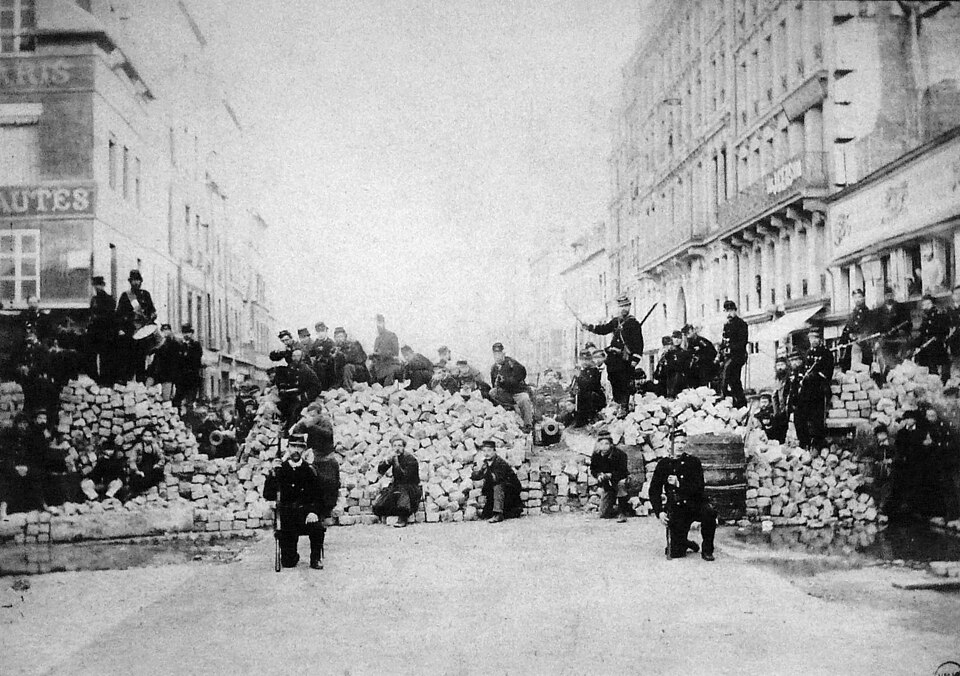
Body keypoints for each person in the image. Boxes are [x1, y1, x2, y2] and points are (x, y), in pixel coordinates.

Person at [648, 438, 717, 561]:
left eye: (682, 443)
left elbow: (699, 488)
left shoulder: (693, 462)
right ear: (669, 444)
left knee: (709, 512)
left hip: (695, 504)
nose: (680, 446)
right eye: (676, 442)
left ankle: (707, 550)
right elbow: (654, 490)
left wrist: (679, 484)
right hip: (677, 509)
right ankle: (685, 543)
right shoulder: (663, 464)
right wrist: (659, 512)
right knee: (675, 553)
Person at [263, 443, 326, 569]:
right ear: (288, 448)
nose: (296, 450)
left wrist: (313, 511)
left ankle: (315, 558)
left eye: (300, 447)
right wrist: (272, 474)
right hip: (287, 517)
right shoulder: (281, 469)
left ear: (304, 450)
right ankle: (291, 555)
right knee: (288, 563)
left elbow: (319, 496)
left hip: (305, 514)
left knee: (317, 528)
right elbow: (268, 495)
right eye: (293, 447)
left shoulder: (310, 470)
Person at [582, 294, 644, 416]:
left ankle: (624, 407)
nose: (623, 309)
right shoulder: (616, 321)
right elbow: (603, 329)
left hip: (625, 359)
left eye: (626, 306)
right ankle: (618, 404)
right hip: (613, 359)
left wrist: (635, 358)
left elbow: (639, 343)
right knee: (614, 380)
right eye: (621, 306)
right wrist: (590, 327)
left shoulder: (633, 323)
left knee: (624, 383)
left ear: (630, 306)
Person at [793, 328, 834, 450]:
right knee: (799, 415)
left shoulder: (826, 353)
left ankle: (817, 444)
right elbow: (803, 370)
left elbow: (828, 372)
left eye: (816, 338)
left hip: (819, 388)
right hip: (806, 390)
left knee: (817, 416)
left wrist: (816, 375)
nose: (813, 341)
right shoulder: (807, 353)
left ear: (820, 339)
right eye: (811, 338)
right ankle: (804, 441)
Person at [115, 269, 157, 382]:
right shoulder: (125, 296)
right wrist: (121, 329)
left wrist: (152, 315)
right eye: (133, 280)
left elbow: (152, 310)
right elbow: (118, 314)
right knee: (128, 360)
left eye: (138, 280)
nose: (136, 283)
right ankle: (127, 386)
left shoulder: (146, 295)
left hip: (143, 332)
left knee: (141, 360)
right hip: (130, 331)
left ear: (141, 282)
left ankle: (140, 385)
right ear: (130, 282)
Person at [0, 413, 45, 514]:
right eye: (20, 424)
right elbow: (5, 456)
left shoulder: (29, 439)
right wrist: (14, 468)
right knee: (5, 478)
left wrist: (27, 468)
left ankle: (40, 505)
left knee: (37, 474)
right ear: (16, 424)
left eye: (25, 424)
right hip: (10, 467)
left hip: (25, 468)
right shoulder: (8, 437)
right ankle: (3, 507)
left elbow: (33, 457)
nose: (23, 426)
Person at [372, 436, 421, 527]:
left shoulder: (411, 459)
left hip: (411, 488)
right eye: (394, 446)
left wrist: (395, 461)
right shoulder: (394, 457)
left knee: (403, 499)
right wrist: (386, 462)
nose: (397, 448)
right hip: (397, 486)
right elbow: (381, 470)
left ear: (404, 447)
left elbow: (404, 476)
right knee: (378, 506)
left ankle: (403, 518)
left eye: (399, 445)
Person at [471, 439, 522, 522]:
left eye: (489, 451)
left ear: (494, 451)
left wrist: (486, 472)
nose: (486, 453)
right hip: (498, 493)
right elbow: (478, 476)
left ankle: (498, 514)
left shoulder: (500, 462)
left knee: (498, 485)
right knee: (486, 515)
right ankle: (494, 512)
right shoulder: (486, 463)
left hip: (510, 491)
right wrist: (475, 472)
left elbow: (497, 479)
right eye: (484, 451)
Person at [489, 342, 534, 431]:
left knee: (524, 399)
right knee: (492, 392)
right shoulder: (494, 368)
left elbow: (521, 374)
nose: (497, 356)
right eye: (495, 354)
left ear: (503, 353)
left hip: (518, 391)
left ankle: (528, 424)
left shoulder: (512, 363)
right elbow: (493, 383)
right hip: (506, 394)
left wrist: (506, 380)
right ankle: (509, 409)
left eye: (499, 354)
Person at [589, 430, 630, 522]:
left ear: (611, 444)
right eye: (601, 444)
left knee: (621, 485)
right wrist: (598, 475)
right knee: (604, 514)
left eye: (606, 444)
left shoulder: (620, 455)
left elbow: (623, 471)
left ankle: (622, 512)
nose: (603, 447)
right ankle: (616, 509)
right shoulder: (596, 455)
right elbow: (593, 469)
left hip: (620, 480)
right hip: (607, 483)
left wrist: (611, 475)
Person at [915, 294, 951, 384]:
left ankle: (943, 383)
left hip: (936, 345)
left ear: (931, 304)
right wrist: (917, 345)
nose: (924, 307)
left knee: (940, 367)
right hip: (927, 346)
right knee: (930, 370)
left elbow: (943, 330)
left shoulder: (939, 314)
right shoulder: (926, 316)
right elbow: (923, 332)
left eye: (926, 304)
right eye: (923, 305)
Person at [719, 300, 749, 408]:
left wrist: (730, 349)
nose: (729, 313)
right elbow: (723, 342)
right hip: (728, 356)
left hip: (738, 356)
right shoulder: (727, 325)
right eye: (726, 311)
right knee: (732, 380)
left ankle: (726, 396)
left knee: (729, 375)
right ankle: (737, 401)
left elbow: (742, 343)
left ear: (735, 311)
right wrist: (720, 353)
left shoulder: (741, 324)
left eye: (731, 310)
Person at [87, 276, 117, 384]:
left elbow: (111, 316)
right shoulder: (94, 300)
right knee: (92, 356)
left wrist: (98, 318)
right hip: (94, 332)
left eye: (99, 285)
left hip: (106, 332)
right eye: (95, 285)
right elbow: (91, 314)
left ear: (103, 285)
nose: (97, 287)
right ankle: (95, 379)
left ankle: (106, 380)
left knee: (106, 357)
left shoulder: (109, 299)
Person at [875, 286, 912, 371]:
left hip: (899, 339)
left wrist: (903, 331)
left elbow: (908, 323)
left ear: (893, 295)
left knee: (901, 361)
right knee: (886, 361)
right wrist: (881, 336)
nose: (889, 297)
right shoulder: (879, 311)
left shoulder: (902, 308)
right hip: (886, 340)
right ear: (884, 296)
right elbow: (877, 328)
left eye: (891, 295)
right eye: (887, 295)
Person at [571, 349, 606, 427]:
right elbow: (573, 385)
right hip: (581, 397)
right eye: (582, 360)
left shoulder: (594, 370)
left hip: (593, 396)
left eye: (586, 359)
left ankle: (591, 418)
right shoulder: (579, 370)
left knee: (589, 396)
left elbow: (590, 385)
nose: (584, 362)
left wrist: (579, 377)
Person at [127, 429, 165, 498]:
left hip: (151, 470)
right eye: (145, 436)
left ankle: (150, 488)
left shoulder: (155, 446)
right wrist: (137, 471)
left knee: (159, 473)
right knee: (136, 479)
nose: (147, 438)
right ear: (142, 437)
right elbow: (132, 460)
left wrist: (158, 465)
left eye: (149, 436)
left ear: (152, 437)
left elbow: (161, 458)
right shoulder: (138, 447)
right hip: (141, 471)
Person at [147, 324, 179, 401]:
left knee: (166, 398)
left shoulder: (174, 343)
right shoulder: (159, 342)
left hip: (168, 374)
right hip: (156, 371)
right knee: (147, 390)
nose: (165, 332)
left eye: (167, 330)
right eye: (163, 330)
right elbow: (151, 351)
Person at [174, 323, 203, 409]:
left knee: (190, 400)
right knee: (178, 400)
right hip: (181, 378)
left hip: (192, 378)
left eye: (188, 332)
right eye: (185, 332)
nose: (187, 334)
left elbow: (197, 360)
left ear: (191, 333)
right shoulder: (179, 346)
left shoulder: (196, 345)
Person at [654, 331, 690, 398]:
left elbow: (685, 369)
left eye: (679, 338)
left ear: (681, 339)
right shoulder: (666, 353)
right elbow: (658, 373)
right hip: (665, 384)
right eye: (675, 337)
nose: (676, 340)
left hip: (678, 384)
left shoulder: (684, 353)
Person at [682, 324, 717, 388]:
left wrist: (700, 358)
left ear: (693, 331)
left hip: (705, 366)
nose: (688, 336)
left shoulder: (701, 341)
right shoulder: (690, 342)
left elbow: (712, 353)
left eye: (688, 333)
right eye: (686, 334)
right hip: (696, 367)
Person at [370, 314, 400, 385]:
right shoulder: (377, 339)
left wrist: (381, 354)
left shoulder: (391, 336)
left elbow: (395, 353)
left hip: (390, 366)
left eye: (380, 323)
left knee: (387, 386)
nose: (378, 326)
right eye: (376, 324)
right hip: (379, 368)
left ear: (384, 323)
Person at [308, 322, 337, 390]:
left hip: (329, 367)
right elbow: (311, 353)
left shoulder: (330, 343)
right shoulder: (316, 342)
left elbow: (332, 357)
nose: (320, 334)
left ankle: (324, 387)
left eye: (322, 331)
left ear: (326, 331)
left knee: (320, 366)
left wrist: (321, 359)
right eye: (318, 332)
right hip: (318, 365)